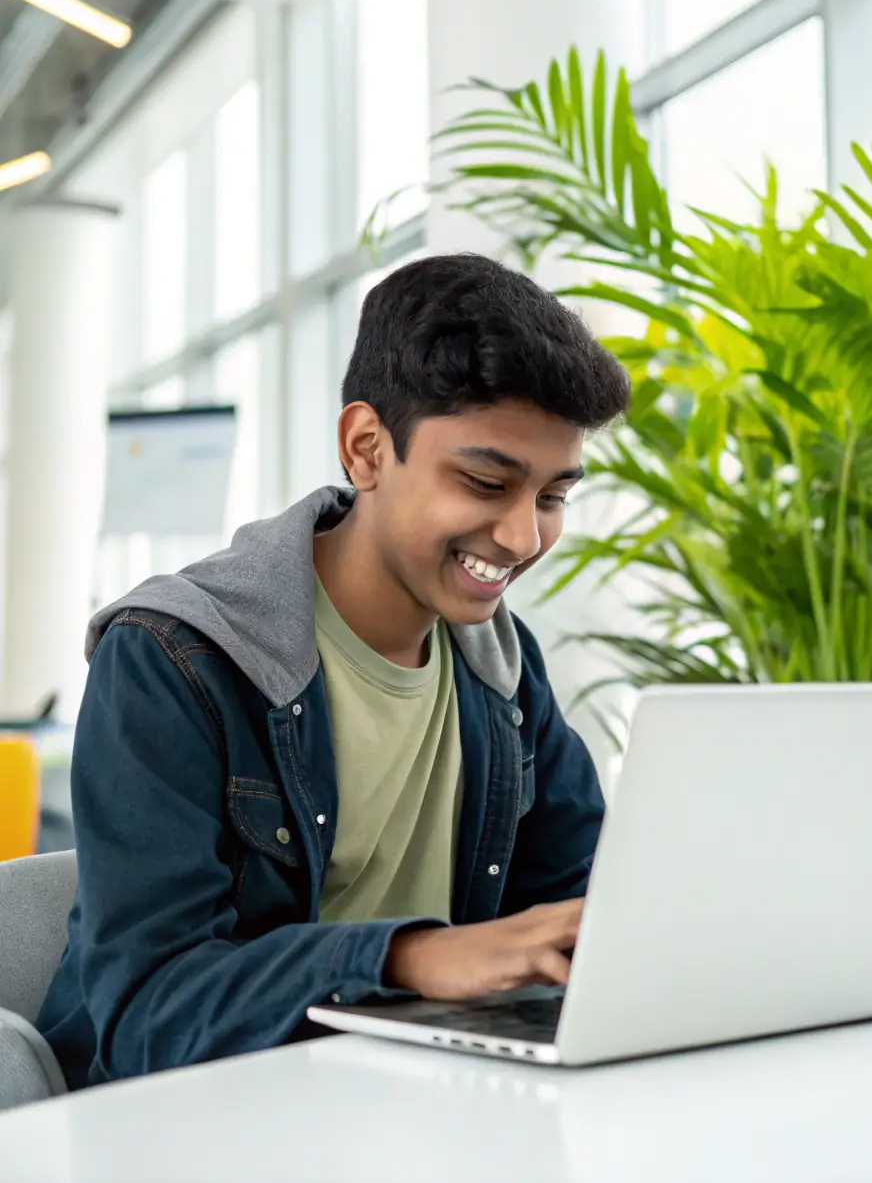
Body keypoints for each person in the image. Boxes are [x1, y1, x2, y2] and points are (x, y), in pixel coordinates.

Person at [38, 252, 631, 1089]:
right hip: (186, 1122)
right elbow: (148, 1016)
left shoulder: (500, 667)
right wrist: (412, 956)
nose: (522, 537)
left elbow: (584, 910)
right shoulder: (173, 658)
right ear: (366, 448)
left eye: (552, 496)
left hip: (408, 1106)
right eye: (486, 481)